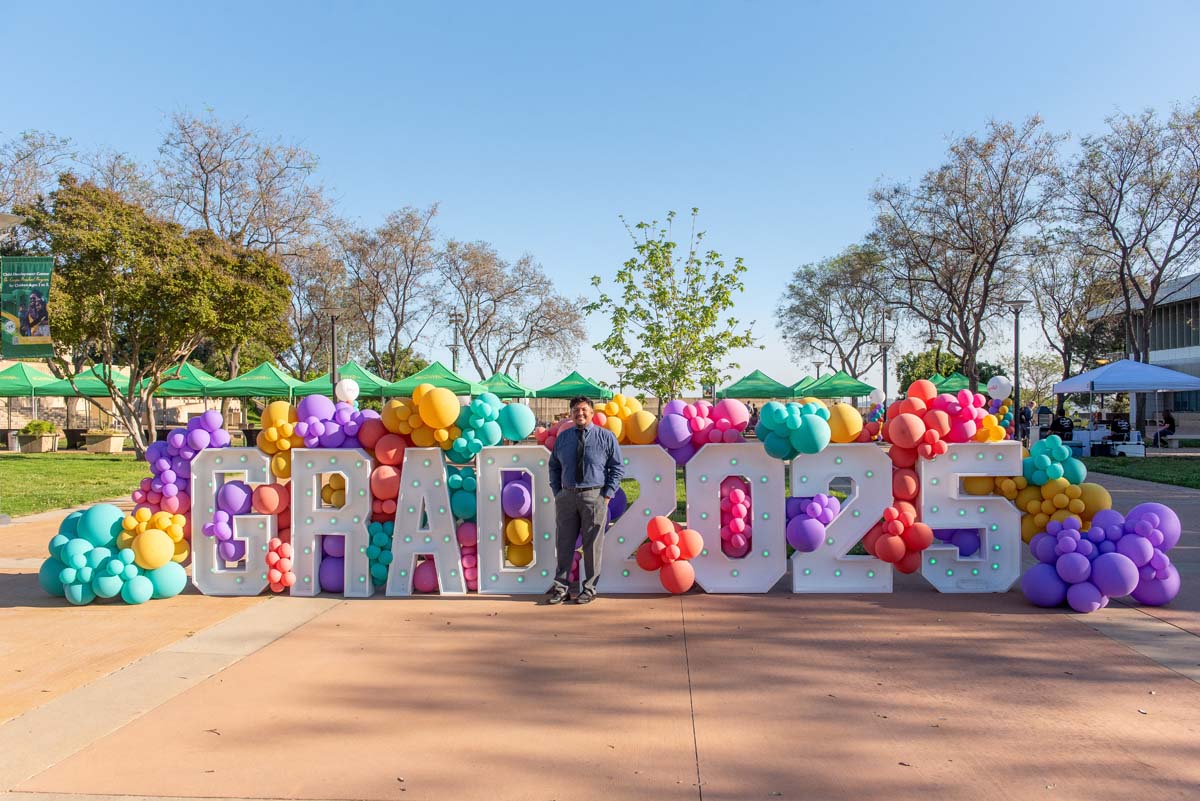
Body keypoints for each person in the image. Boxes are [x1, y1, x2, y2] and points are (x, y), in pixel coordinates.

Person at [547, 395, 623, 605]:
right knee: (564, 544)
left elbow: (617, 467)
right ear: (571, 414)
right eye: (575, 411)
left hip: (594, 496)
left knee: (592, 546)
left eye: (583, 410)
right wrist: (557, 492)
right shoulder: (563, 438)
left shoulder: (606, 437)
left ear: (591, 412)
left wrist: (608, 494)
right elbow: (554, 466)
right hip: (567, 496)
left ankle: (589, 589)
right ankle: (561, 589)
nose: (579, 414)